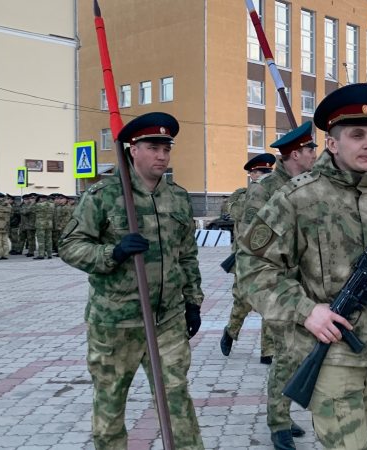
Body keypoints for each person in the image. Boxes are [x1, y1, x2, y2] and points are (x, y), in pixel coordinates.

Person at [237, 83, 367, 450]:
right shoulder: (299, 197)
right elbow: (252, 268)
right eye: (356, 135)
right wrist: (306, 310)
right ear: (332, 143)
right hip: (330, 350)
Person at [59, 112, 205, 450]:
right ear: (132, 149)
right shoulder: (104, 195)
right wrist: (114, 252)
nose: (162, 156)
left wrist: (193, 301)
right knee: (110, 404)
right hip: (116, 323)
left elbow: (187, 255)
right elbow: (70, 246)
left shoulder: (178, 198)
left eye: (166, 148)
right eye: (153, 148)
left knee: (176, 400)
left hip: (167, 319)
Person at [234, 121, 318, 450]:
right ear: (296, 153)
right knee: (286, 353)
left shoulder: (309, 184)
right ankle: (278, 422)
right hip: (280, 282)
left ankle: (285, 413)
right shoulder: (265, 189)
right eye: (311, 149)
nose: (316, 154)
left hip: (309, 283)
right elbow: (252, 240)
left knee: (300, 352)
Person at [221, 152, 277, 361]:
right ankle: (230, 332)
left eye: (264, 174)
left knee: (269, 303)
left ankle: (268, 351)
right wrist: (246, 195)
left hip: (269, 257)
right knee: (242, 302)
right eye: (258, 174)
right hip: (244, 258)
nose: (260, 177)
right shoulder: (243, 195)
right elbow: (238, 214)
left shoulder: (274, 193)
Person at [31, 194, 54, 260]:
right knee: (49, 240)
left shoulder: (39, 205)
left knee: (41, 240)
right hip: (49, 224)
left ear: (40, 198)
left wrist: (35, 201)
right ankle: (50, 254)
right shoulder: (52, 205)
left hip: (40, 225)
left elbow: (30, 208)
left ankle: (41, 254)